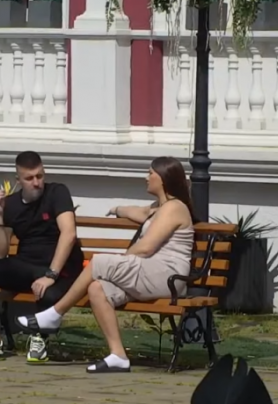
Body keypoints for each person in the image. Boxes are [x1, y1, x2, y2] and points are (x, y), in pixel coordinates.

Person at [16, 156, 195, 373]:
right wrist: (117, 209)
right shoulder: (159, 208)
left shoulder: (175, 207)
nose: (146, 178)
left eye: (150, 173)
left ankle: (55, 314)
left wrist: (121, 261)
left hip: (168, 277)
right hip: (150, 274)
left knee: (100, 262)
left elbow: (146, 247)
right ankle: (118, 355)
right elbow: (139, 213)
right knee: (97, 288)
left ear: (164, 178)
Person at [0, 151, 84, 363]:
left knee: (48, 292)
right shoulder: (11, 204)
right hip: (26, 264)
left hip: (60, 267)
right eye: (29, 178)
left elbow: (69, 234)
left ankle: (40, 339)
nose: (36, 183)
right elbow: (0, 253)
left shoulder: (57, 192)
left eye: (39, 176)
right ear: (18, 180)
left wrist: (51, 274)